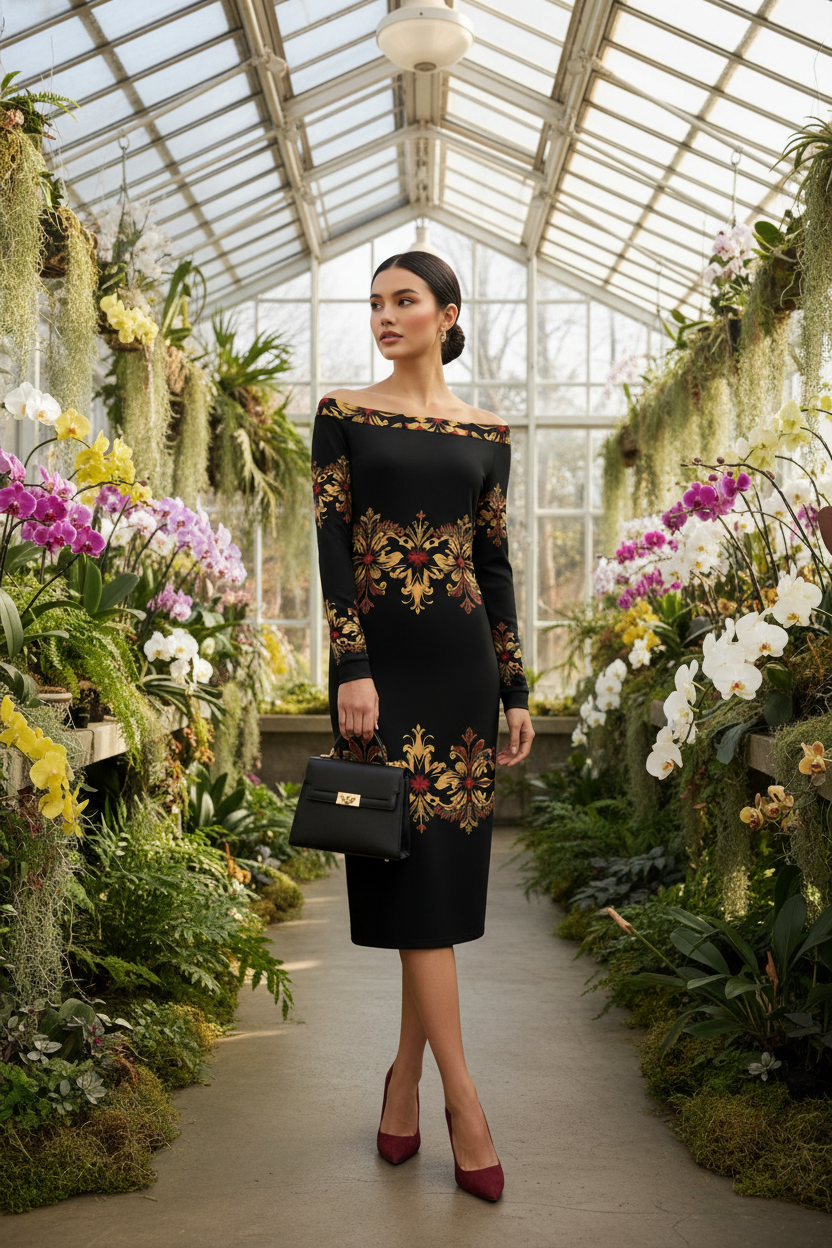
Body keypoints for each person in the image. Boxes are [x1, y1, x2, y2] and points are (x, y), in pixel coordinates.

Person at [311, 249, 533, 1202]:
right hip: (382, 678)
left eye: (404, 301)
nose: (385, 315)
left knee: (431, 889)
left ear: (448, 312)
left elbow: (495, 567)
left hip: (463, 675)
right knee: (414, 877)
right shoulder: (341, 413)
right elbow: (327, 545)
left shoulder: (489, 432)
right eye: (375, 303)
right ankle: (464, 1100)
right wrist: (350, 665)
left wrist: (517, 688)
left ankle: (403, 1086)